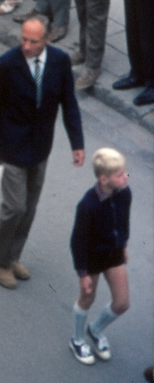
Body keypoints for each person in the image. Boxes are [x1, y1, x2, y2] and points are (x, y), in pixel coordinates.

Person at [0, 15, 84, 289]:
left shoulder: (59, 62)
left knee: (30, 206)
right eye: (23, 38)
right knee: (15, 206)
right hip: (11, 145)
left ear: (47, 40)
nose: (26, 46)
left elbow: (69, 103)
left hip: (40, 145)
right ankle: (0, 260)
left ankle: (13, 255)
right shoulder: (6, 65)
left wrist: (76, 143)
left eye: (33, 41)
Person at [69, 148, 130, 366]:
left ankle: (94, 330)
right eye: (120, 174)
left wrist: (123, 245)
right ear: (104, 179)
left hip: (113, 253)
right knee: (87, 298)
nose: (125, 177)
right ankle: (77, 339)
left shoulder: (124, 193)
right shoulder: (88, 205)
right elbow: (77, 241)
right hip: (92, 257)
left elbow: (123, 222)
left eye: (125, 172)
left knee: (122, 303)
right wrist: (83, 273)